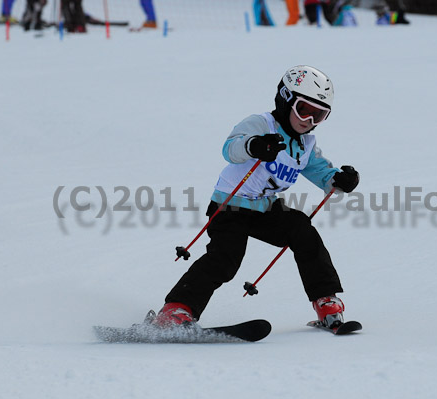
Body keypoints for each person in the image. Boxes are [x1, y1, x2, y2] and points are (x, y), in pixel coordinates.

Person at [152, 65, 360, 330]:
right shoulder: (261, 123)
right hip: (231, 205)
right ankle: (176, 309)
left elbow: (321, 171)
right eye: (303, 109)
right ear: (286, 99)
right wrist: (255, 145)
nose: (308, 120)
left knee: (303, 232)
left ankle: (326, 302)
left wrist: (339, 180)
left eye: (318, 115)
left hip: (266, 209)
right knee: (225, 259)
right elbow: (231, 148)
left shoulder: (305, 144)